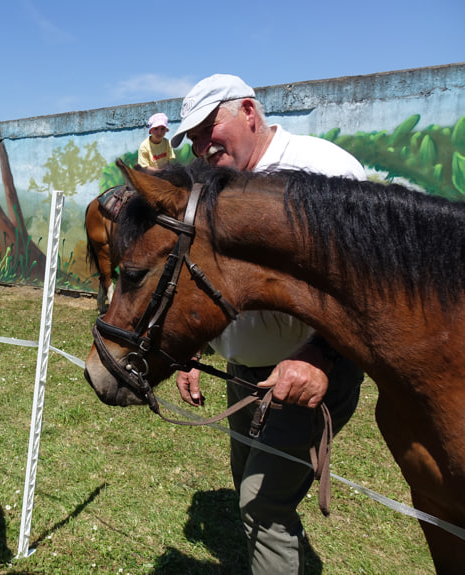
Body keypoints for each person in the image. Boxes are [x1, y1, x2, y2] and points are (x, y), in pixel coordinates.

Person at [171, 74, 365, 575]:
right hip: (243, 373)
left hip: (309, 378)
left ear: (249, 113)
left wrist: (321, 357)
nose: (199, 146)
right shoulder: (210, 185)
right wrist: (195, 350)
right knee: (247, 485)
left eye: (207, 129)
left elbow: (365, 289)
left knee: (263, 505)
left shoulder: (323, 170)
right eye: (190, 138)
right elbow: (202, 278)